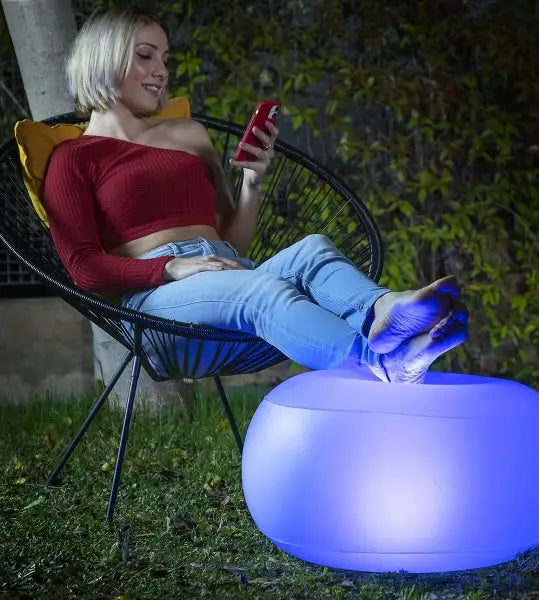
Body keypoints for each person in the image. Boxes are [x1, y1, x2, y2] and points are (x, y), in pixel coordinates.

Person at [43, 7, 468, 384]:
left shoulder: (189, 135)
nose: (161, 70)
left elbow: (233, 245)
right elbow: (84, 269)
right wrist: (172, 267)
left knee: (313, 251)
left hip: (228, 274)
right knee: (261, 291)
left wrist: (253, 182)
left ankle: (383, 311)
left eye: (165, 59)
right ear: (104, 59)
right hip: (158, 311)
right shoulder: (73, 158)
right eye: (146, 55)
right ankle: (382, 365)